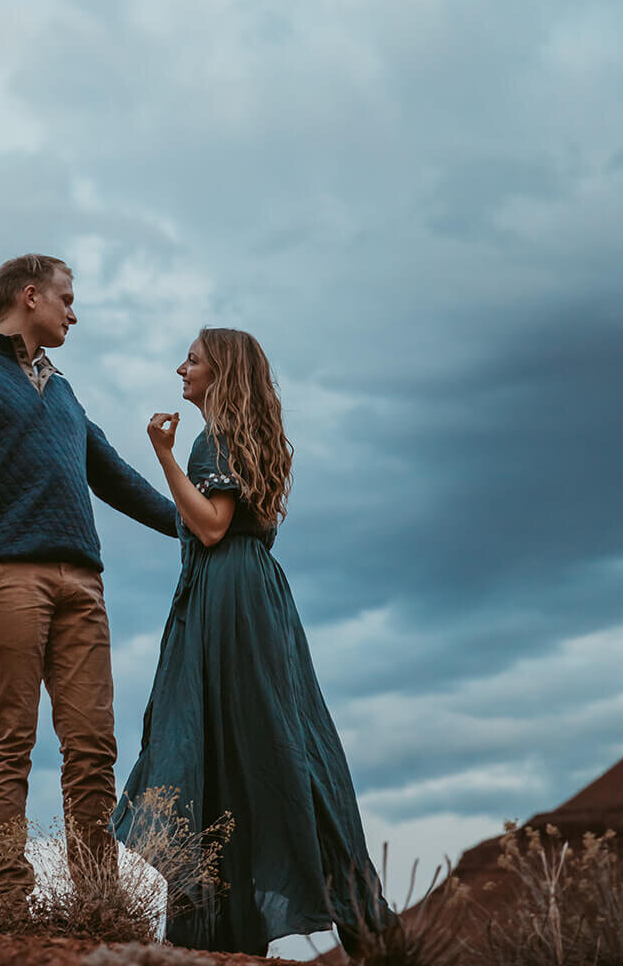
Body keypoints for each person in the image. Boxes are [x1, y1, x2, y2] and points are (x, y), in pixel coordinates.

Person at [0, 253, 178, 929]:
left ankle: (97, 903)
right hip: (4, 579)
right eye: (66, 298)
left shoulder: (61, 389)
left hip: (82, 584)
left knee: (92, 747)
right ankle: (9, 904)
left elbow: (114, 476)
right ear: (29, 297)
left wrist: (195, 528)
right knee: (9, 740)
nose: (73, 311)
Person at [112, 327, 391, 957]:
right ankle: (356, 916)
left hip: (228, 602)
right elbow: (208, 520)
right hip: (257, 599)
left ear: (221, 373)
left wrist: (162, 453)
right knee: (275, 743)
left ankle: (224, 926)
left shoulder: (215, 437)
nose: (180, 367)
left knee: (217, 744)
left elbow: (209, 528)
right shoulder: (252, 436)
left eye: (193, 360)